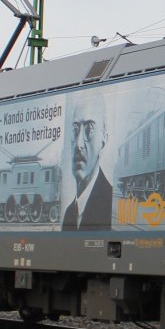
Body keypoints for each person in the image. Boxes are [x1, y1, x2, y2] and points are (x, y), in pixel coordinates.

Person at [62, 97, 113, 231]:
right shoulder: (69, 214)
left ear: (103, 140)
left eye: (89, 129)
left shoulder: (111, 207)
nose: (79, 144)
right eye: (75, 129)